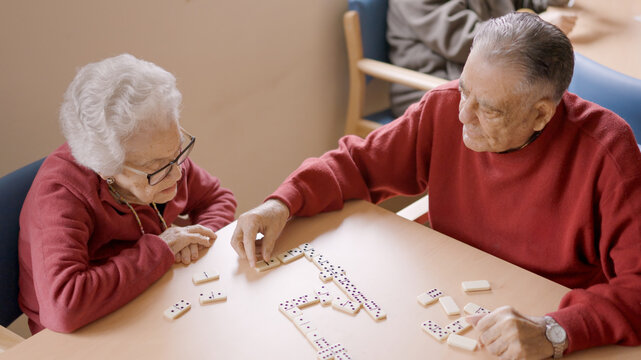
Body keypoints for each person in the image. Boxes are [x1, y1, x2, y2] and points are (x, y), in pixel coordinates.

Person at [231, 12, 641, 359]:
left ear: (540, 115)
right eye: (465, 91)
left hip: (547, 322)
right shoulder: (443, 108)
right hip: (454, 305)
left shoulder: (609, 153)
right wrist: (282, 203)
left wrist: (556, 331)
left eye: (489, 110)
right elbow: (357, 163)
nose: (463, 115)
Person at [18, 54, 237, 334]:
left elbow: (216, 198)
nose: (178, 175)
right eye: (156, 168)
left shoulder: (161, 155)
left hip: (149, 293)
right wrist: (160, 250)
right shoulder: (61, 194)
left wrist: (196, 237)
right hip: (86, 331)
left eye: (178, 151)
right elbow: (64, 307)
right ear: (106, 168)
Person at [387, 0, 577, 117]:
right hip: (434, 89)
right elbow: (466, 42)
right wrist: (540, 24)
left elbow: (522, 2)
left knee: (553, 105)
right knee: (544, 109)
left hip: (486, 78)